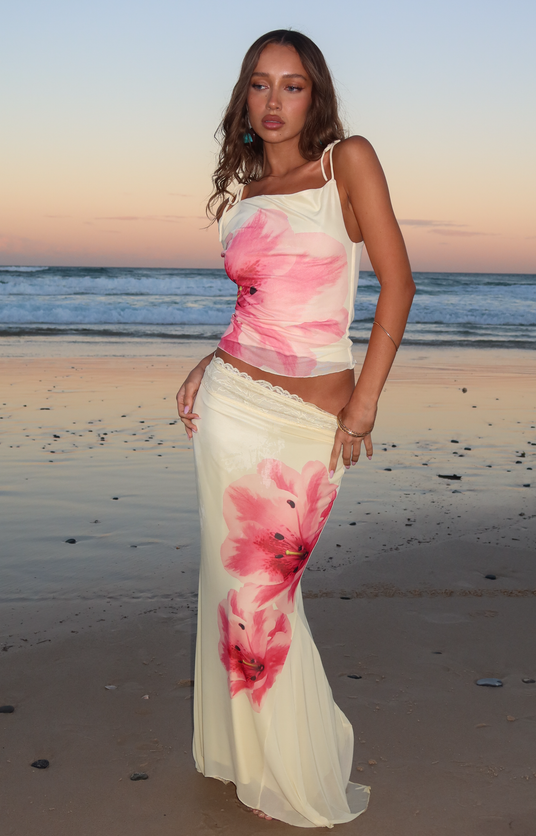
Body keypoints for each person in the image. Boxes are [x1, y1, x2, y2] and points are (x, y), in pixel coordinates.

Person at [176, 29, 415, 827]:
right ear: (242, 98)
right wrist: (207, 362)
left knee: (263, 594)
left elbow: (399, 285)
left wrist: (367, 401)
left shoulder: (345, 163)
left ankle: (289, 770)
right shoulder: (243, 192)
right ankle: (242, 759)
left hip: (311, 423)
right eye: (259, 84)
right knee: (232, 592)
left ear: (317, 97)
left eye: (293, 85)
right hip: (229, 407)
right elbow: (258, 307)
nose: (274, 101)